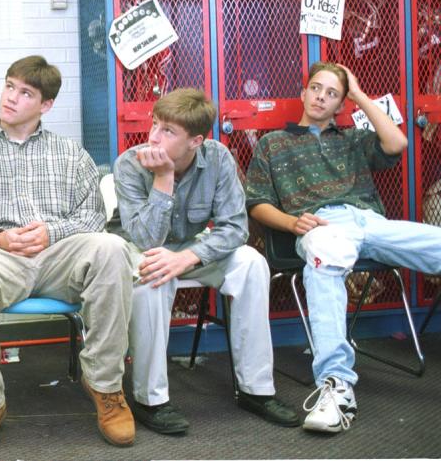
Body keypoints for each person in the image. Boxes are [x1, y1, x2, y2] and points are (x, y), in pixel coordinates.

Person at [0, 55, 136, 455]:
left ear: (45, 105)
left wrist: (52, 232)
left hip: (61, 254)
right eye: (9, 86)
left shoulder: (70, 154)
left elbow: (94, 216)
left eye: (24, 92)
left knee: (113, 249)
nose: (10, 98)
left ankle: (105, 385)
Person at [246, 61, 441, 433]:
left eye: (332, 93)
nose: (321, 96)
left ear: (341, 104)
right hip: (322, 226)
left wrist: (358, 95)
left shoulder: (351, 138)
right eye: (316, 88)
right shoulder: (274, 143)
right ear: (303, 93)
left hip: (370, 223)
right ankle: (337, 387)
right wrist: (292, 223)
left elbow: (397, 143)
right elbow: (255, 201)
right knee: (325, 257)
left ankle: (336, 386)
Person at [110, 88, 298, 435]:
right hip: (139, 248)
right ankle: (150, 399)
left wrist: (188, 256)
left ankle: (256, 390)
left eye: (168, 130)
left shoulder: (218, 158)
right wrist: (163, 179)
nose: (153, 136)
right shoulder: (130, 164)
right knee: (154, 270)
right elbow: (146, 239)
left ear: (196, 140)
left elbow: (236, 227)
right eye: (155, 124)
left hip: (191, 249)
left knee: (251, 264)